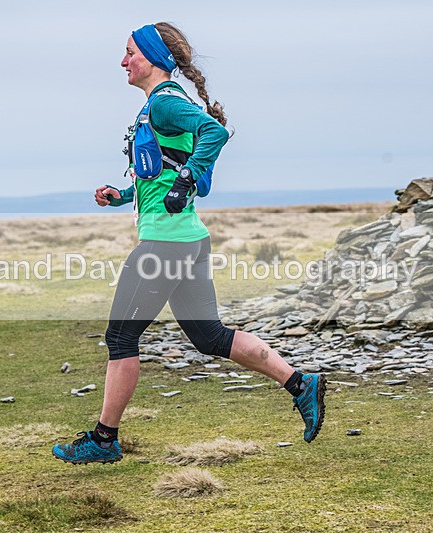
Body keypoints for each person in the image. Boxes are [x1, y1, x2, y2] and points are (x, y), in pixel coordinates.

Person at [52, 22, 326, 465]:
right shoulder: (158, 106)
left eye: (129, 53)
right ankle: (300, 383)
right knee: (210, 336)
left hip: (166, 245)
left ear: (153, 58)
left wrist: (187, 180)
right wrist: (121, 195)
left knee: (121, 336)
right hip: (188, 240)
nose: (123, 62)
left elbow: (215, 134)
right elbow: (160, 174)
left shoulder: (165, 104)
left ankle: (104, 440)